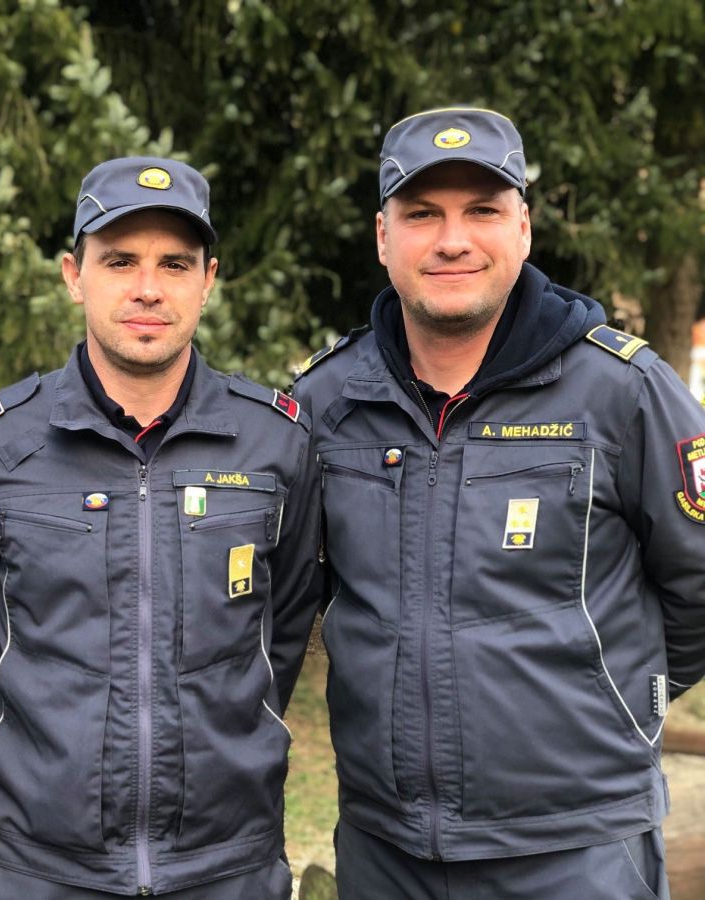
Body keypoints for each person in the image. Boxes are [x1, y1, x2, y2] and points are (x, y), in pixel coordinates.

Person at [291, 106, 705, 899]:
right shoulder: (327, 400)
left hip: (574, 850)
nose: (452, 240)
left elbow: (698, 590)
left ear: (523, 228)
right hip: (387, 848)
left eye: (482, 210)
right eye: (422, 214)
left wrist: (620, 703)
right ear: (383, 237)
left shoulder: (624, 393)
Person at [0, 157, 317, 898]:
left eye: (174, 264)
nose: (148, 287)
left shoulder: (277, 442)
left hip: (227, 864)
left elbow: (285, 627)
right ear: (73, 275)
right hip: (46, 869)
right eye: (119, 261)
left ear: (208, 280)